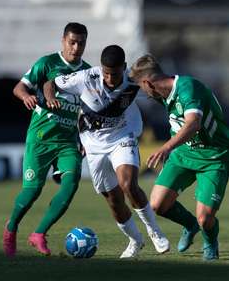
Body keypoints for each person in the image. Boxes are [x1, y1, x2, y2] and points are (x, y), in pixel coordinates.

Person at [44, 45, 170, 258]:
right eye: (106, 73)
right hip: (93, 146)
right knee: (113, 199)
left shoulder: (133, 81)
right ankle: (134, 240)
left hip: (123, 137)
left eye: (115, 73)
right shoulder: (85, 78)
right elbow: (50, 84)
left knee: (128, 184)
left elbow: (160, 86)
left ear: (124, 67)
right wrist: (49, 98)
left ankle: (155, 231)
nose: (110, 78)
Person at [129, 54, 229, 260]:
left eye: (142, 87)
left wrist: (165, 148)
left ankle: (210, 241)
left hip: (214, 157)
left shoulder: (188, 88)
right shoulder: (162, 93)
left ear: (148, 82)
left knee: (206, 218)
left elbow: (193, 124)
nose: (144, 93)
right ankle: (190, 225)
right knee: (156, 205)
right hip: (183, 154)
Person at [3, 22, 91, 257]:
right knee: (32, 192)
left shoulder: (88, 72)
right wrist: (26, 97)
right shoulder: (47, 63)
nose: (76, 47)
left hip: (67, 142)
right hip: (41, 139)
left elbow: (87, 110)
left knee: (71, 184)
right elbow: (18, 88)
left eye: (81, 43)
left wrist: (83, 138)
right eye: (72, 42)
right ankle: (11, 228)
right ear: (63, 41)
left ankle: (39, 233)